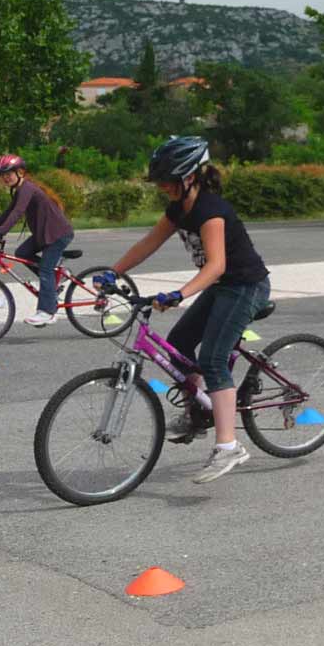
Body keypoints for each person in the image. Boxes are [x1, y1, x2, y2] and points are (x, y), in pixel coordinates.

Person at [95, 137, 271, 483]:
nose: (162, 188)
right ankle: (200, 410)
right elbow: (149, 242)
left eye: (166, 181)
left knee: (214, 359)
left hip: (245, 286)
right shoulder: (178, 209)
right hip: (222, 287)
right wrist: (114, 271)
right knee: (178, 345)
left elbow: (217, 265)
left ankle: (229, 447)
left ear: (189, 176)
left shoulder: (211, 210)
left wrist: (179, 293)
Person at [0, 155, 76, 326]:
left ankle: (47, 312)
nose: (5, 178)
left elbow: (17, 213)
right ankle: (57, 277)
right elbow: (8, 213)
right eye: (2, 175)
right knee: (22, 253)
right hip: (44, 234)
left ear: (20, 172)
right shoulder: (20, 190)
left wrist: (0, 233)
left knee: (45, 270)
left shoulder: (27, 188)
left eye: (9, 174)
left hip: (58, 234)